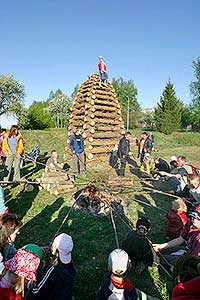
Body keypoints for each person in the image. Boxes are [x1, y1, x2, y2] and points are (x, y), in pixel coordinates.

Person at [30, 233, 76, 300]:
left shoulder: (53, 270)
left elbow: (36, 291)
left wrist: (32, 281)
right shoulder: (71, 268)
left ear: (56, 250)